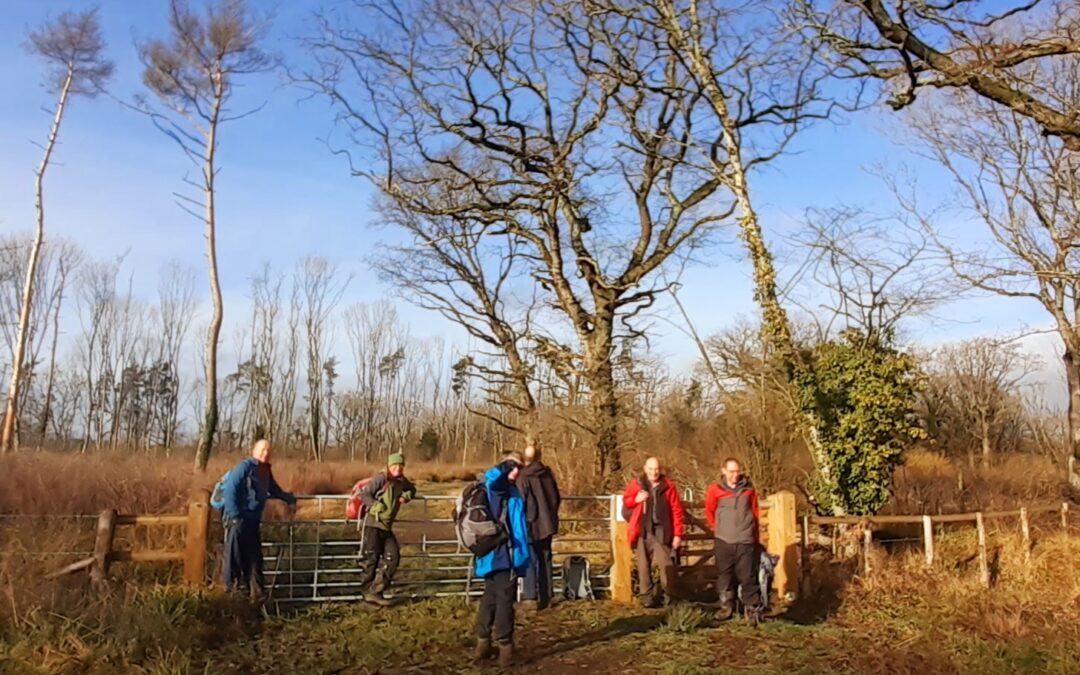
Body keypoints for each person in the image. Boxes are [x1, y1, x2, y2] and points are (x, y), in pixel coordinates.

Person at [474, 451, 530, 669]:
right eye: (513, 467)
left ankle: (483, 644)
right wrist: (506, 464)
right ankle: (505, 648)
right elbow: (493, 476)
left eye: (519, 467)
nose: (516, 471)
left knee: (490, 598)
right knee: (505, 601)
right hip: (502, 554)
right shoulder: (497, 489)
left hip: (499, 554)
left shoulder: (509, 491)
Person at [221, 439, 297, 599]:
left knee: (254, 557)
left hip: (253, 520)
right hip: (239, 519)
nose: (266, 453)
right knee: (234, 556)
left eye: (268, 450)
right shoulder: (244, 467)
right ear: (253, 450)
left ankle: (256, 593)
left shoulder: (265, 471)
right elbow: (230, 490)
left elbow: (273, 489)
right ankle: (231, 593)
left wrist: (287, 497)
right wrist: (235, 515)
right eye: (262, 449)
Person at [705, 457, 762, 622]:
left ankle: (752, 610)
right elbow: (710, 511)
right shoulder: (715, 490)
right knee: (725, 575)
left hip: (745, 540)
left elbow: (755, 512)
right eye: (731, 471)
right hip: (723, 540)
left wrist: (754, 536)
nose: (735, 475)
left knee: (748, 576)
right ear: (723, 471)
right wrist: (718, 528)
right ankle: (726, 608)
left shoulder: (749, 490)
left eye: (737, 471)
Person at [622, 457, 684, 608]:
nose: (653, 472)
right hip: (642, 528)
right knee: (643, 565)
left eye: (656, 469)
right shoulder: (637, 484)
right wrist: (636, 499)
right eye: (650, 469)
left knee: (666, 564)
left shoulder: (669, 486)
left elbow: (676, 511)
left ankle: (671, 596)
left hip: (662, 529)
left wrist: (677, 534)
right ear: (645, 469)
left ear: (660, 469)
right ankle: (646, 597)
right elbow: (626, 501)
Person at [357, 452, 417, 606]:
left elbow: (412, 489)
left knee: (393, 557)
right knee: (371, 559)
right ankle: (366, 593)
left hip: (386, 526)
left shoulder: (401, 481)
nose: (397, 468)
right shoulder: (381, 479)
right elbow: (364, 494)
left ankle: (376, 590)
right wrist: (376, 505)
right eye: (394, 465)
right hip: (372, 524)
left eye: (400, 466)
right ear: (389, 466)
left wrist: (407, 496)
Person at [517, 443, 561, 610]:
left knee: (530, 559)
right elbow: (556, 497)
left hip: (531, 523)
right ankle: (547, 596)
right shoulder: (547, 474)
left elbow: (521, 501)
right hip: (548, 522)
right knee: (546, 558)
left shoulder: (524, 477)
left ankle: (530, 596)